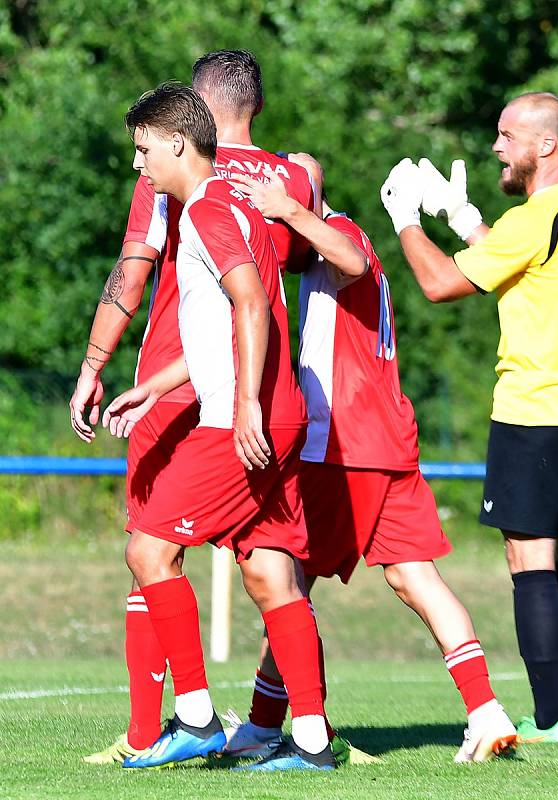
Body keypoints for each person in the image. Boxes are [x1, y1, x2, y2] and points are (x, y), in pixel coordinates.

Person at [222, 153, 518, 763]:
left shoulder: (343, 235)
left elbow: (351, 258)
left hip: (342, 444)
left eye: (280, 187)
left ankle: (271, 725)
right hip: (387, 439)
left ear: (302, 192)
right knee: (416, 578)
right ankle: (486, 712)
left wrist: (289, 211)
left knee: (286, 582)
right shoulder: (327, 243)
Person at [70, 49, 317, 765]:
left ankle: (184, 722)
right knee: (271, 568)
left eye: (144, 149)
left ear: (183, 133)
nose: (139, 165)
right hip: (273, 400)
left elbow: (239, 302)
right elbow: (272, 293)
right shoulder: (275, 187)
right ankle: (310, 736)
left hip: (230, 409)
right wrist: (158, 383)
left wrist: (240, 405)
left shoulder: (196, 203)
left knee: (150, 545)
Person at [379, 92, 558, 744]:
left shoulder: (534, 216)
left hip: (533, 409)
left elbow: (439, 285)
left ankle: (549, 720)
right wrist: (463, 216)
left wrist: (407, 220)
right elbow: (524, 262)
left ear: (545, 145)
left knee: (528, 560)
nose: (497, 147)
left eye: (507, 136)